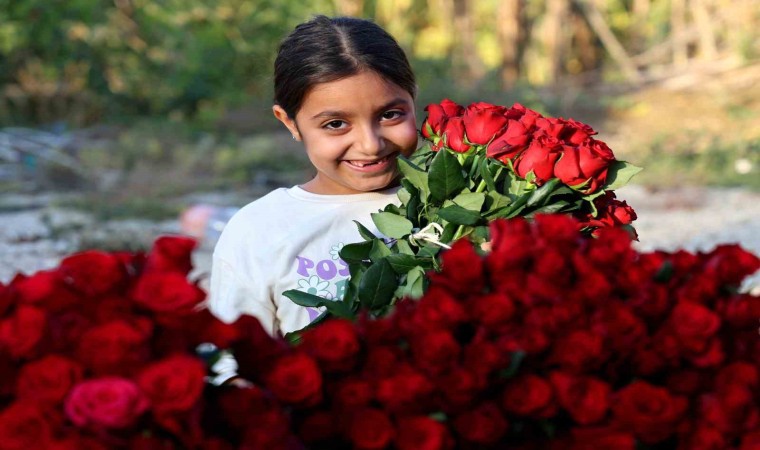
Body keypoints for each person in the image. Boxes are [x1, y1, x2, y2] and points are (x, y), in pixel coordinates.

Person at [207, 15, 418, 336]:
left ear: (413, 98)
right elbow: (234, 363)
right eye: (335, 124)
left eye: (390, 115)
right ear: (289, 122)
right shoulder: (259, 231)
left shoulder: (463, 202)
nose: (370, 144)